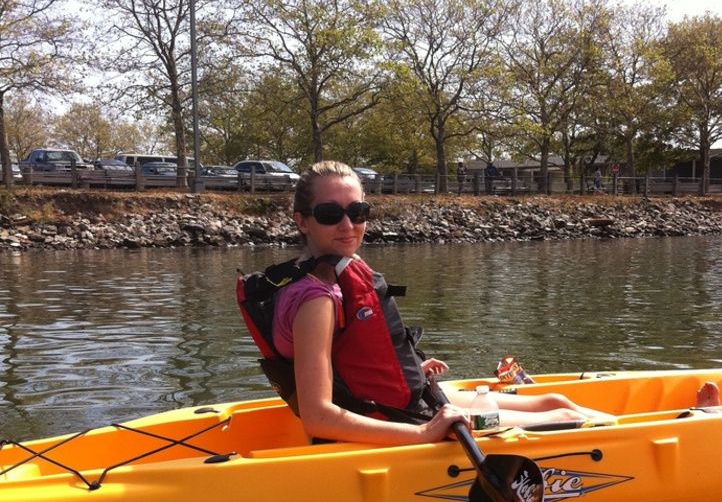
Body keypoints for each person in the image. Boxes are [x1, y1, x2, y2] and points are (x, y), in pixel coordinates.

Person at [254, 160, 616, 446]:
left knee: (553, 401)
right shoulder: (315, 298)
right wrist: (425, 434)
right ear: (302, 221)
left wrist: (404, 367)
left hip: (399, 404)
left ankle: (635, 424)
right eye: (331, 214)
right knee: (564, 418)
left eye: (358, 211)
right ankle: (630, 436)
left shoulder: (325, 272)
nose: (348, 225)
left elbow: (347, 360)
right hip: (398, 425)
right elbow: (319, 417)